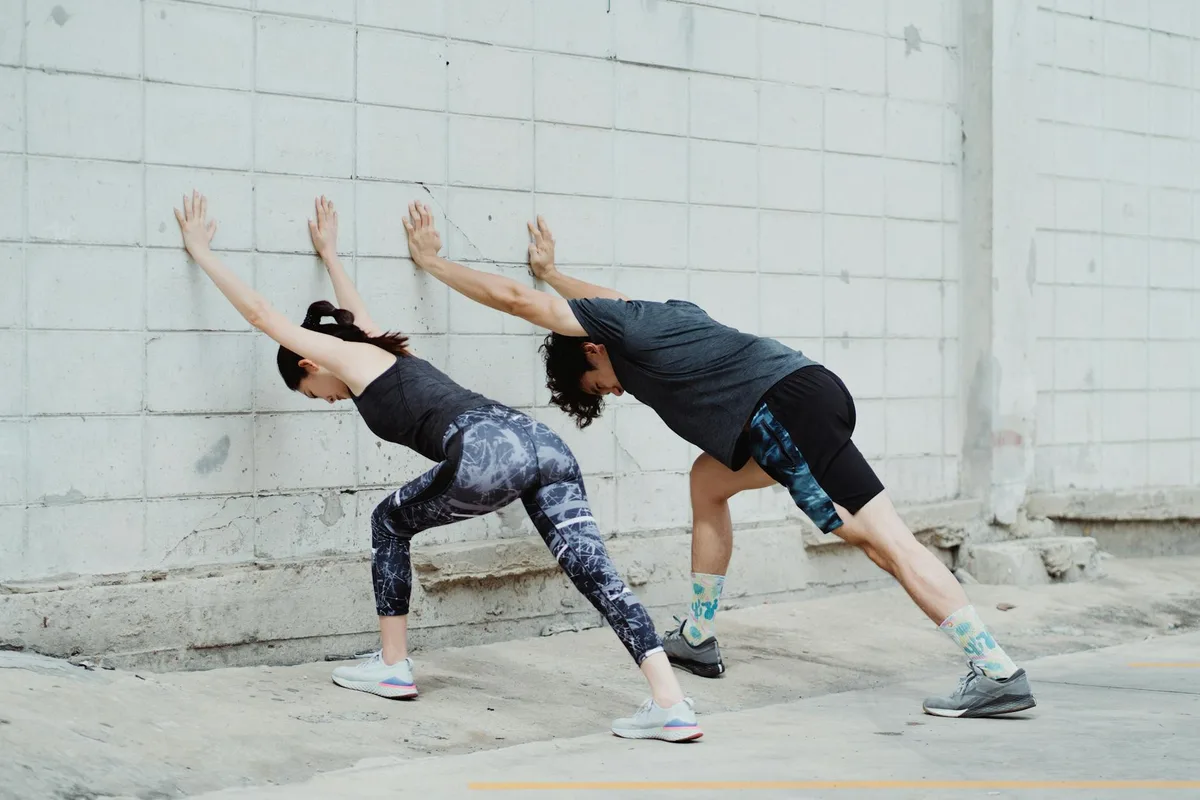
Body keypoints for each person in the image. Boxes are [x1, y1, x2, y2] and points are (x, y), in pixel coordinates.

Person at [403, 201, 1037, 719]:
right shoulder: (656, 316)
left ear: (593, 349)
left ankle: (995, 669)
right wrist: (557, 274)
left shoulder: (626, 339)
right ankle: (699, 637)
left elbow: (516, 300)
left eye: (601, 383)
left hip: (781, 414)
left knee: (883, 540)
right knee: (708, 480)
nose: (617, 391)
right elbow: (605, 299)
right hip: (798, 400)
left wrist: (434, 261)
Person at [171, 192, 702, 742]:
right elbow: (355, 317)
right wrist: (330, 255)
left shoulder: (348, 359)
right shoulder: (382, 353)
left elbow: (263, 317)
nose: (325, 400)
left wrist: (202, 252)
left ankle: (394, 665)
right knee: (599, 575)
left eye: (312, 393)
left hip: (487, 450)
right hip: (542, 444)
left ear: (311, 362)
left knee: (388, 521)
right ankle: (672, 703)